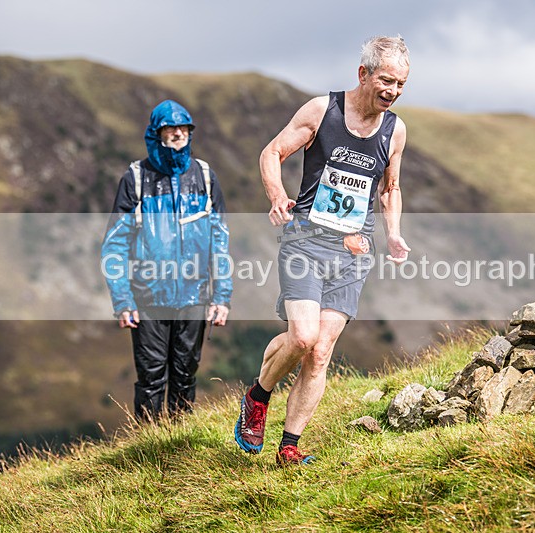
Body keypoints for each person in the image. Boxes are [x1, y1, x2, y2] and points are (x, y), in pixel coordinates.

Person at [234, 36, 410, 465]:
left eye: (401, 84)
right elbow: (272, 152)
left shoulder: (395, 130)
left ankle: (289, 447)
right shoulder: (322, 111)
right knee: (302, 337)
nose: (393, 91)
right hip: (306, 243)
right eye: (386, 80)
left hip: (354, 251)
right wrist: (277, 195)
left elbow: (390, 188)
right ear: (363, 74)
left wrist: (393, 233)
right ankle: (258, 397)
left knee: (321, 351)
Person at [101, 99, 231, 420]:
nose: (177, 133)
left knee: (186, 375)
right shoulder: (136, 178)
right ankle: (149, 442)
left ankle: (180, 441)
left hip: (194, 296)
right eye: (169, 128)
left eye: (183, 127)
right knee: (151, 379)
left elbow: (220, 240)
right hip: (148, 298)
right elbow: (115, 245)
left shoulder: (204, 176)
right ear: (156, 133)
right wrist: (122, 299)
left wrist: (221, 296)